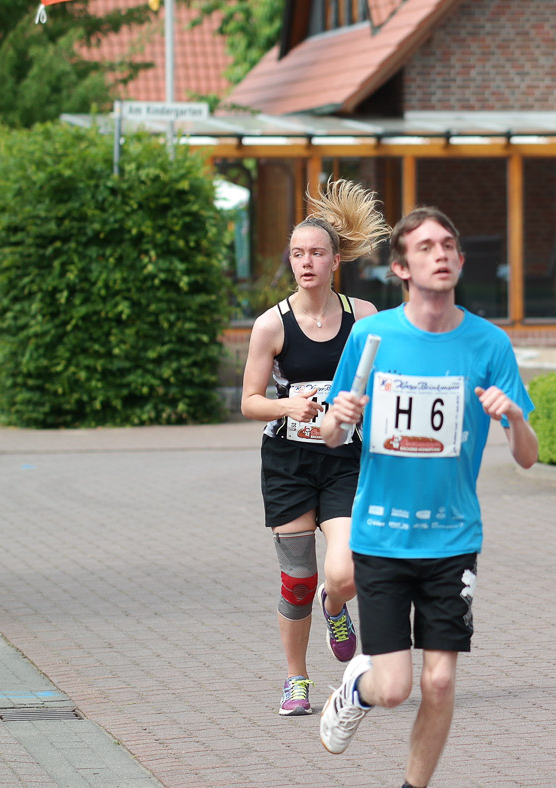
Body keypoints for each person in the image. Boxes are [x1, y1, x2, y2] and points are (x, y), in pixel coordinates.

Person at [317, 207, 538, 788]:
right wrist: (341, 417)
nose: (440, 254)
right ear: (401, 268)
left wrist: (515, 418)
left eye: (448, 246)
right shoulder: (373, 337)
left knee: (439, 683)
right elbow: (331, 434)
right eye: (425, 247)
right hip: (381, 536)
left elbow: (528, 456)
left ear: (460, 261)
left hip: (453, 537)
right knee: (394, 689)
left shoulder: (489, 343)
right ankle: (356, 689)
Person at [240, 179, 388, 717]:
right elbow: (249, 402)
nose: (306, 262)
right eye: (298, 253)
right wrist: (288, 406)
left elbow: (387, 380)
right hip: (289, 464)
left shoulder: (363, 316)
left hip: (346, 459)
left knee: (345, 570)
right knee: (297, 580)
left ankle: (336, 604)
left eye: (317, 253)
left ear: (335, 261)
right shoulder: (270, 325)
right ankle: (296, 679)